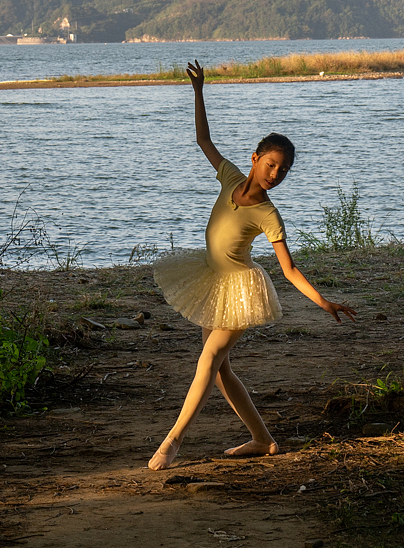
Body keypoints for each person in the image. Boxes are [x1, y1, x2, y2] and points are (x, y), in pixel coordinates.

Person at [147, 58, 356, 470]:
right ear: (256, 157)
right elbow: (203, 140)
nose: (276, 174)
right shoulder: (229, 177)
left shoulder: (269, 214)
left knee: (208, 361)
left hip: (241, 291)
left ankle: (172, 442)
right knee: (221, 371)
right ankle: (262, 439)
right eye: (271, 164)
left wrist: (324, 303)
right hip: (211, 281)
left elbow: (289, 269)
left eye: (284, 171)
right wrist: (199, 91)